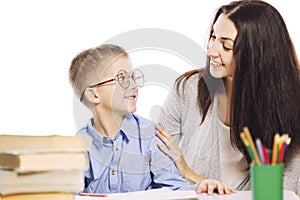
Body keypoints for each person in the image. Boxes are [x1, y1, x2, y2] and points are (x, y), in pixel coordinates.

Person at [156, 0, 300, 194]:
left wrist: (189, 173)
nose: (211, 51)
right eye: (213, 37)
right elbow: (157, 165)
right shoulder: (189, 88)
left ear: (256, 54)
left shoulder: (291, 109)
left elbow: (281, 194)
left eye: (226, 45)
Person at [68, 44, 236, 194]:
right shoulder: (79, 145)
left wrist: (203, 186)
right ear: (94, 95)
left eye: (133, 77)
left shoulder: (150, 135)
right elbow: (69, 193)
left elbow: (174, 186)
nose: (133, 85)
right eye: (122, 78)